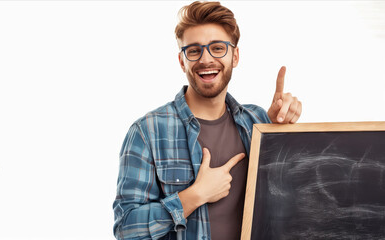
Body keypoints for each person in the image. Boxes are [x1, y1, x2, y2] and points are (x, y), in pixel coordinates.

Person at [113, 1, 302, 239]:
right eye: (194, 50)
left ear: (235, 56)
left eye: (217, 48)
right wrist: (194, 196)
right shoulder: (147, 131)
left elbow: (289, 203)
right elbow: (125, 228)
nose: (206, 59)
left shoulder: (257, 121)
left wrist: (281, 132)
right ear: (182, 61)